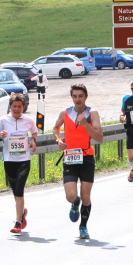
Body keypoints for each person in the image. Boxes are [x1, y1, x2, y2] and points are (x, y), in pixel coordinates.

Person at [53, 83, 103, 240]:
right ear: (71, 97)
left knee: (86, 196)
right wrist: (58, 140)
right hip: (70, 157)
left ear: (86, 97)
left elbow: (99, 137)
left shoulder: (92, 113)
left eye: (80, 96)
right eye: (74, 96)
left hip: (86, 157)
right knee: (70, 195)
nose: (77, 99)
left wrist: (85, 125)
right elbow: (55, 128)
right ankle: (75, 202)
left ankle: (83, 226)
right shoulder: (65, 112)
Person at [0, 93, 38, 234]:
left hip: (24, 160)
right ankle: (22, 212)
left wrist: (33, 140)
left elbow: (34, 132)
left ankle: (18, 223)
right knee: (15, 191)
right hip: (9, 160)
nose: (17, 109)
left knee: (19, 190)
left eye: (19, 106)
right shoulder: (3, 120)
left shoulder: (28, 120)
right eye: (14, 106)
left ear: (23, 107)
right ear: (10, 106)